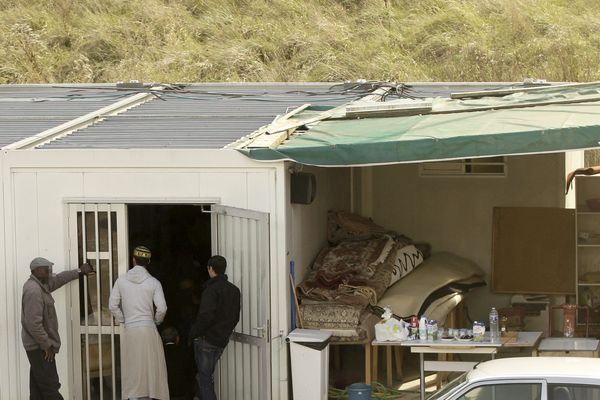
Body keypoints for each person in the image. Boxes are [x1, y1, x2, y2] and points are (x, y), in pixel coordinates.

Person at [21, 256, 94, 400]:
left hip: (38, 347)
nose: (50, 273)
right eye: (47, 270)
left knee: (38, 390)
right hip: (40, 348)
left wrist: (79, 271)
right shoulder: (34, 290)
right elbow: (33, 324)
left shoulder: (41, 285)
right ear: (37, 270)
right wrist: (47, 345)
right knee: (50, 388)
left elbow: (59, 279)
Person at [109, 246, 169, 400]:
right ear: (148, 262)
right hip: (148, 329)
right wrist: (156, 321)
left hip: (131, 330)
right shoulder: (153, 282)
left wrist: (122, 319)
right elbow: (162, 308)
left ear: (133, 260)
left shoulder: (121, 280)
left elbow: (112, 305)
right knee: (150, 367)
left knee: (133, 367)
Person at [189, 255, 241, 400]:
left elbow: (205, 317)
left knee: (205, 379)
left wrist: (193, 334)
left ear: (210, 268)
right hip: (221, 341)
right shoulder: (234, 290)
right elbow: (235, 317)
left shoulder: (210, 290)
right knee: (203, 377)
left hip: (206, 340)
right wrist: (224, 333)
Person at [161, 326, 194, 400]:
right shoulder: (185, 353)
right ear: (177, 338)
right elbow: (191, 374)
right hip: (182, 393)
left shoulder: (159, 355)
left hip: (165, 394)